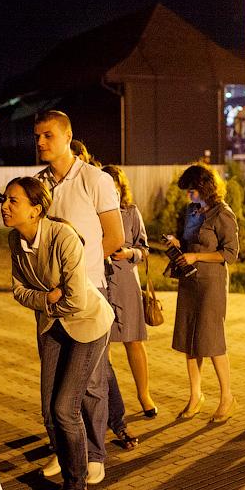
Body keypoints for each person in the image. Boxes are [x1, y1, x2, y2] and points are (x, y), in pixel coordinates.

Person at [2, 177, 113, 490]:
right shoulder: (14, 239)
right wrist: (47, 299)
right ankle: (69, 475)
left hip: (88, 325)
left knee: (66, 408)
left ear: (35, 210)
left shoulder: (62, 237)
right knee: (49, 412)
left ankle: (77, 488)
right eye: (5, 200)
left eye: (13, 201)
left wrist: (47, 303)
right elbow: (18, 290)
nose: (4, 206)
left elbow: (78, 300)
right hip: (52, 326)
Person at [34, 110, 127, 483]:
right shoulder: (38, 184)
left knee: (90, 381)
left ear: (69, 136)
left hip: (87, 293)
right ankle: (65, 450)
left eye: (48, 135)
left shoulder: (95, 179)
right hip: (49, 299)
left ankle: (95, 454)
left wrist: (76, 275)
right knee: (54, 380)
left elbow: (115, 238)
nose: (40, 142)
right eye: (37, 136)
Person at [167, 164, 239, 422]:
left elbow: (230, 253)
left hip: (211, 282)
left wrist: (197, 255)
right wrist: (178, 244)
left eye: (193, 190)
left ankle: (227, 397)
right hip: (189, 281)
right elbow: (189, 243)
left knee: (212, 338)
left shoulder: (223, 214)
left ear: (206, 188)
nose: (189, 196)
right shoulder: (192, 211)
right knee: (189, 337)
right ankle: (195, 395)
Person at [100, 165, 158, 418]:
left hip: (126, 282)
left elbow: (144, 248)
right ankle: (108, 401)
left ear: (121, 187)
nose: (111, 191)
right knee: (103, 345)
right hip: (101, 281)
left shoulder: (131, 212)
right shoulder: (94, 213)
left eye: (115, 186)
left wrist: (129, 253)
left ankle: (144, 394)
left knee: (134, 340)